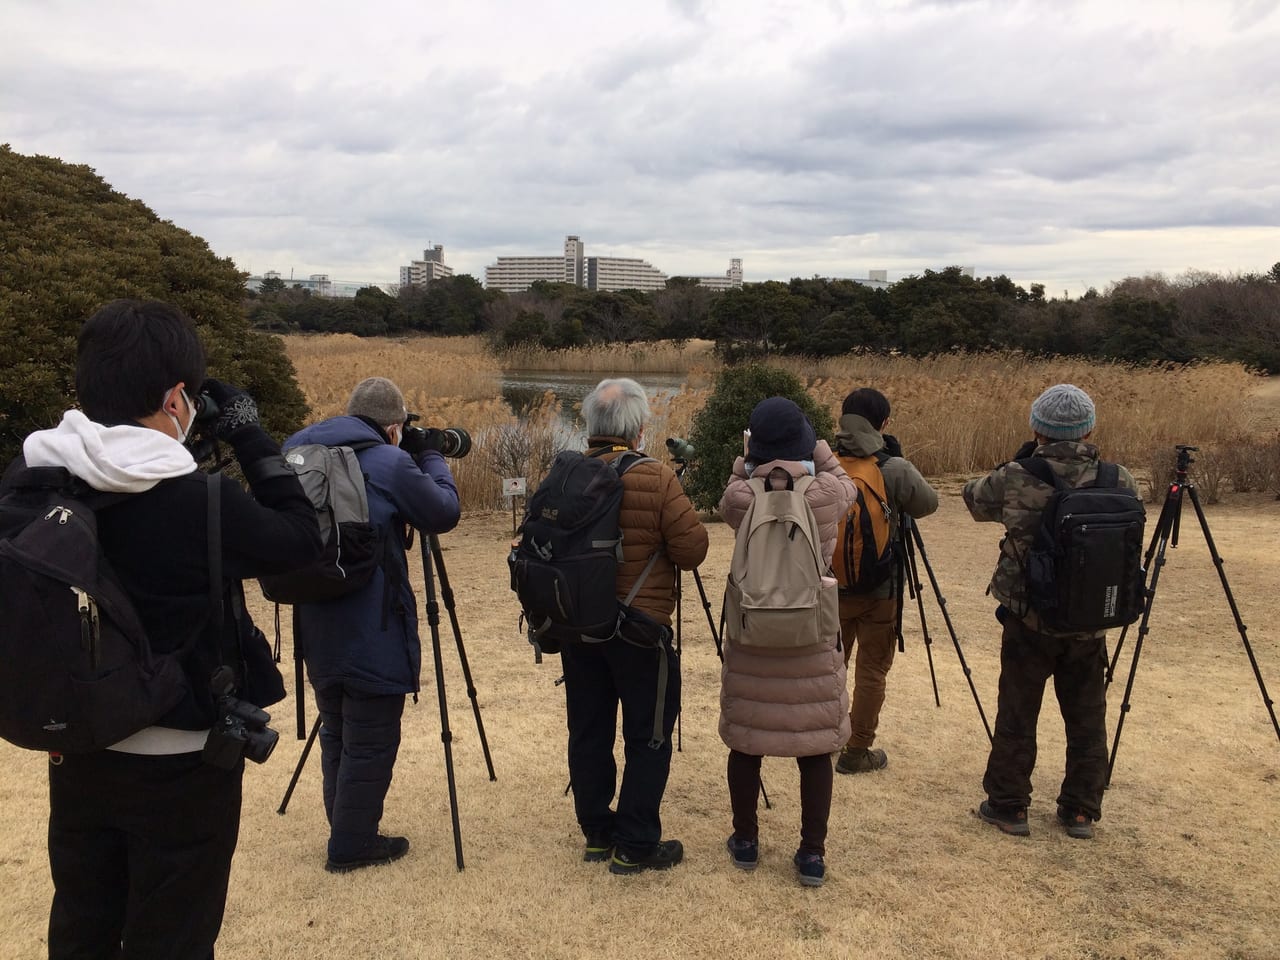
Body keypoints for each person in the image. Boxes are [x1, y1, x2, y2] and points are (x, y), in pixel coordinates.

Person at [8, 299, 323, 959]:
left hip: (80, 741)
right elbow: (302, 540)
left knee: (84, 924)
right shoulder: (199, 500)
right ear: (178, 397)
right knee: (173, 934)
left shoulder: (36, 480)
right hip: (184, 757)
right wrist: (248, 435)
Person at [289, 377, 460, 873]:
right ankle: (351, 845)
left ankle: (345, 828)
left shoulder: (301, 452)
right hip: (373, 624)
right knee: (371, 738)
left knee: (338, 729)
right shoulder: (390, 460)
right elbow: (442, 512)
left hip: (316, 619)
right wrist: (430, 457)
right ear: (393, 428)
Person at [963, 384, 1136, 840]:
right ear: (1089, 428)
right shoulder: (1118, 479)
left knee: (1017, 712)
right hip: (1090, 619)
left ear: (1037, 427)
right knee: (1087, 716)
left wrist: (1012, 463)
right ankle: (1080, 809)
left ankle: (1008, 805)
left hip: (1029, 616)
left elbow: (973, 500)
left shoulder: (1020, 474)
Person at [561, 378, 708, 875]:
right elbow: (692, 552)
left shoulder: (566, 474)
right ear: (640, 429)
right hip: (640, 629)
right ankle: (636, 843)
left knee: (589, 731)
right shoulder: (659, 477)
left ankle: (598, 834)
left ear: (592, 426)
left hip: (580, 629)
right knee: (648, 734)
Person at [718, 396, 857, 887]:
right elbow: (847, 484)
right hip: (811, 632)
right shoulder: (824, 495)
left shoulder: (741, 497)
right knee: (816, 748)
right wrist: (817, 447)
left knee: (747, 742)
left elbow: (733, 486)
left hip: (754, 629)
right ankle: (812, 853)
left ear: (755, 442)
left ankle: (746, 841)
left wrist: (747, 456)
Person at [833, 388, 939, 774]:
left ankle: (826, 735)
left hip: (831, 588)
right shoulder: (892, 468)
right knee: (872, 671)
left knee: (831, 665)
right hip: (881, 590)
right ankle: (857, 750)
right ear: (884, 423)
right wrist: (896, 459)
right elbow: (928, 503)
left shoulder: (824, 463)